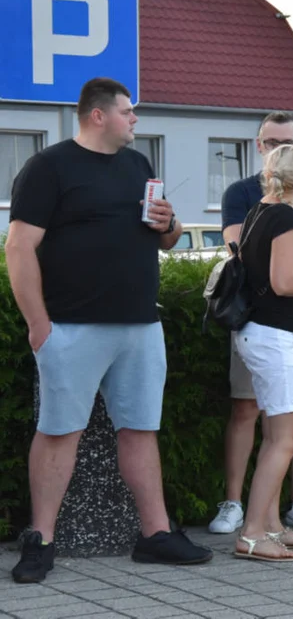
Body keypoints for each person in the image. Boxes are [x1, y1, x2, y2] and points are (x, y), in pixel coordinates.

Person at [6, 78, 213, 583]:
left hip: (140, 325)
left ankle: (155, 534)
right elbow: (18, 247)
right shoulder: (48, 167)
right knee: (58, 433)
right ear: (98, 115)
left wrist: (170, 225)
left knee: (141, 429)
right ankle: (41, 539)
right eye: (128, 111)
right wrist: (39, 325)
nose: (135, 119)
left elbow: (167, 238)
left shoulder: (139, 165)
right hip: (71, 326)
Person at [211, 112, 293, 535]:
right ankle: (254, 531)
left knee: (283, 430)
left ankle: (274, 523)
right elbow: (283, 280)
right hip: (275, 331)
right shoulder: (281, 216)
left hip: (271, 329)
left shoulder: (261, 210)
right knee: (282, 434)